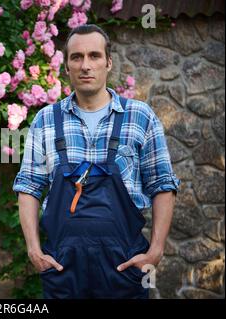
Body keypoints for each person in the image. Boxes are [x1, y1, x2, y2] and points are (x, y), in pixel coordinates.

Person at [12, 24, 180, 299]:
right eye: (76, 57)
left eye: (94, 56)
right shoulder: (46, 120)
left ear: (108, 62)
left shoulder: (140, 117)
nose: (85, 66)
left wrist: (156, 250)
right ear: (66, 67)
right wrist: (34, 250)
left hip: (124, 267)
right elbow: (28, 186)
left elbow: (162, 184)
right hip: (62, 268)